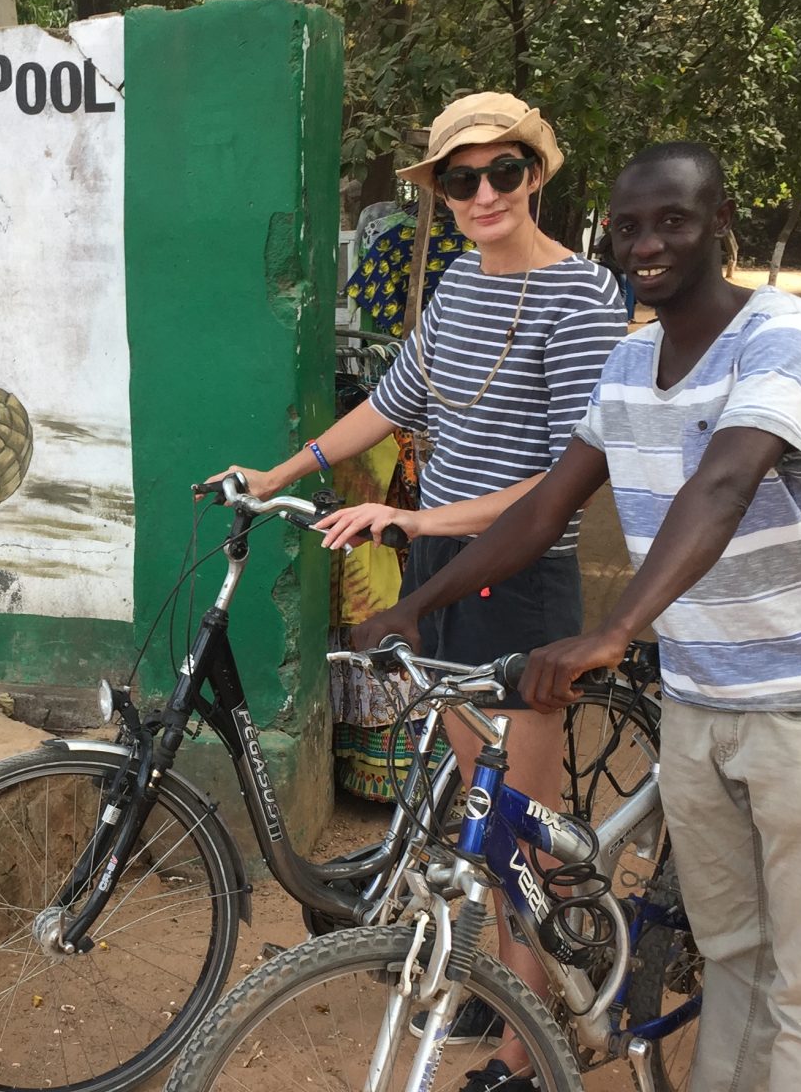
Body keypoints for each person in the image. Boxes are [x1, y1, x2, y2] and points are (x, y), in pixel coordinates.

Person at [355, 141, 801, 1092]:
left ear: (721, 225)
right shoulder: (630, 360)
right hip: (697, 700)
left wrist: (614, 628)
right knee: (732, 954)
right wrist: (416, 604)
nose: (647, 245)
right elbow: (544, 509)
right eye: (630, 227)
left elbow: (723, 482)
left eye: (673, 221)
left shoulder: (782, 332)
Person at [209, 91, 624, 1089]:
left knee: (520, 824)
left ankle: (534, 1042)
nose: (481, 192)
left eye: (501, 172)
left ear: (533, 175)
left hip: (520, 583)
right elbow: (389, 407)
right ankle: (527, 972)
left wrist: (418, 520)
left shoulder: (582, 298)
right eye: (458, 176)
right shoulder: (454, 293)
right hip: (442, 579)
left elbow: (576, 466)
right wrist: (277, 474)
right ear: (437, 190)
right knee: (483, 818)